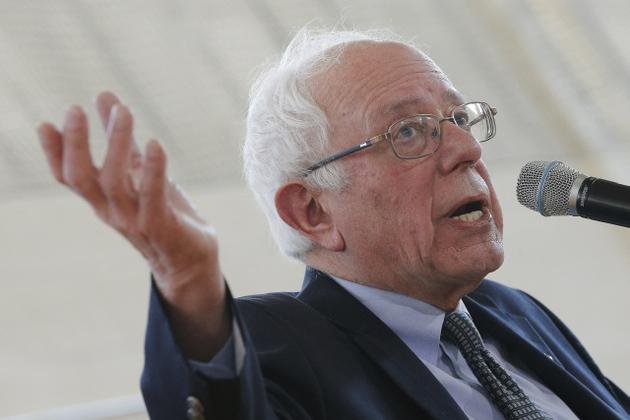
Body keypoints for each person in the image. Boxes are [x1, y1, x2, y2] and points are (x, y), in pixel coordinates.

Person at [38, 28, 629, 420]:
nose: (464, 150)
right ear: (312, 212)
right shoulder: (280, 345)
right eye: (409, 132)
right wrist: (188, 283)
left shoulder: (515, 314)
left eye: (458, 118)